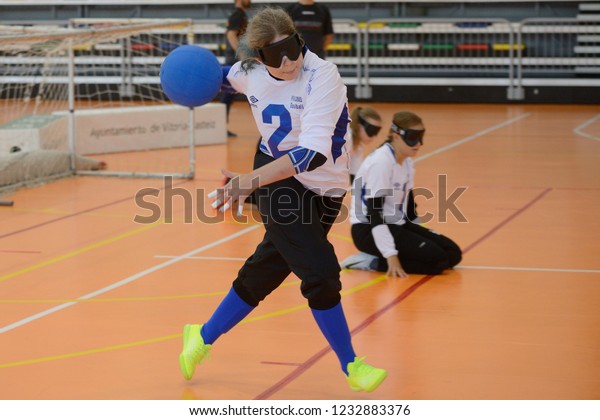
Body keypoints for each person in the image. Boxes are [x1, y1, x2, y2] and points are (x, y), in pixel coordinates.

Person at [179, 7, 387, 393]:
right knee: (321, 271)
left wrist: (247, 182)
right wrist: (183, 78)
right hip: (278, 181)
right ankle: (352, 365)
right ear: (259, 58)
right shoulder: (248, 74)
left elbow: (312, 154)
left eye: (292, 48)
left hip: (322, 186)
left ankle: (201, 336)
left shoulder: (323, 76)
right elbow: (213, 79)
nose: (289, 60)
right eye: (276, 55)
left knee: (268, 269)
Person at [341, 111, 462, 277]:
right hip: (368, 229)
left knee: (452, 253)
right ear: (396, 136)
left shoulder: (406, 162)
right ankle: (371, 261)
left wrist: (419, 235)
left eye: (421, 137)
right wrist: (390, 255)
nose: (419, 144)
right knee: (437, 261)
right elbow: (375, 213)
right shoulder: (381, 162)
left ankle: (389, 254)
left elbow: (410, 207)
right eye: (413, 137)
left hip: (397, 223)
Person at [221, 0, 251, 138]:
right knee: (228, 94)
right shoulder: (237, 15)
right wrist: (242, 54)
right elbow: (231, 35)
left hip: (234, 59)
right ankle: (220, 128)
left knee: (229, 95)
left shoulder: (241, 15)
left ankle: (220, 128)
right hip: (235, 60)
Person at [348, 106, 382, 184]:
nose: (374, 136)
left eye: (376, 131)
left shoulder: (357, 147)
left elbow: (356, 179)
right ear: (359, 127)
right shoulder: (347, 141)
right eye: (371, 130)